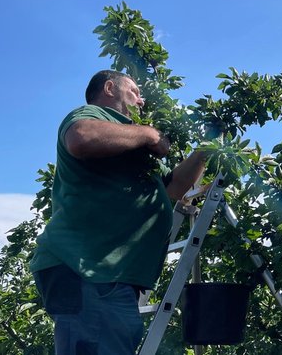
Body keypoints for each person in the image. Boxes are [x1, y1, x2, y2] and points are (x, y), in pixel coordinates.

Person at [30, 70, 206, 354]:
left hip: (111, 273)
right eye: (134, 91)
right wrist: (149, 133)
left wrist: (206, 151)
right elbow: (81, 137)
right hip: (86, 268)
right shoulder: (93, 116)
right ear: (110, 88)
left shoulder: (132, 146)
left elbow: (173, 189)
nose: (141, 100)